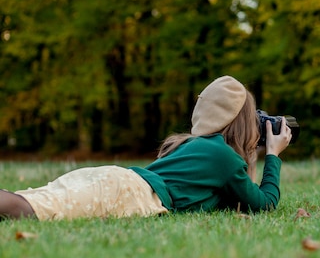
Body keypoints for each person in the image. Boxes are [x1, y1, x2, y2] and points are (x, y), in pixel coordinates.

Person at [0, 75, 292, 221]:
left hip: (114, 180)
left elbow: (239, 201)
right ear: (242, 124)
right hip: (125, 192)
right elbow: (262, 204)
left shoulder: (197, 147)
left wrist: (250, 155)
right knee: (25, 209)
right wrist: (273, 155)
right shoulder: (223, 158)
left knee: (29, 201)